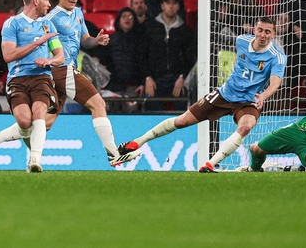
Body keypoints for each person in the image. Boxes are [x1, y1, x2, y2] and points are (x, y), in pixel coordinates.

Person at [0, 0, 141, 168]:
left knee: (43, 123)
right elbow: (37, 39)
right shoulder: (50, 18)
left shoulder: (78, 14)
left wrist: (95, 41)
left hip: (57, 71)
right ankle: (113, 153)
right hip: (61, 69)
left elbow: (85, 41)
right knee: (98, 103)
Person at [120, 16, 286, 173]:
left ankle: (210, 164)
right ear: (254, 30)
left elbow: (275, 83)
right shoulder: (241, 41)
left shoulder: (277, 57)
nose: (263, 35)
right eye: (260, 30)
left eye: (267, 32)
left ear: (274, 34)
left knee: (246, 127)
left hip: (249, 101)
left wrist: (263, 95)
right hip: (225, 94)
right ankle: (137, 142)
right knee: (181, 121)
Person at [0, 0, 64, 173]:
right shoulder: (12, 24)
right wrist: (37, 42)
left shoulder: (48, 25)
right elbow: (8, 55)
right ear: (35, 1)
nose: (49, 4)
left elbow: (60, 56)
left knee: (39, 112)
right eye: (46, 0)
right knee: (24, 122)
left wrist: (48, 60)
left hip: (41, 77)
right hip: (18, 79)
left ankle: (34, 161)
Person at [106, 7, 143, 93]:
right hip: (114, 85)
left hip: (134, 85)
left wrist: (142, 82)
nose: (127, 19)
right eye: (124, 16)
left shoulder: (140, 40)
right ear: (118, 21)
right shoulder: (110, 39)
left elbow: (143, 62)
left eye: (130, 17)